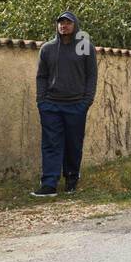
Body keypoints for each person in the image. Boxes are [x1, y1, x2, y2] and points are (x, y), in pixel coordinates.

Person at [32, 12, 98, 197]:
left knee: (73, 144)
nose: (64, 26)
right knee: (51, 144)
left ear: (75, 25)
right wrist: (41, 101)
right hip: (51, 106)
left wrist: (87, 100)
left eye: (68, 22)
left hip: (76, 105)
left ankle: (71, 178)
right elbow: (41, 77)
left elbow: (92, 75)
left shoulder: (85, 48)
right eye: (61, 22)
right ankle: (49, 184)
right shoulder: (47, 49)